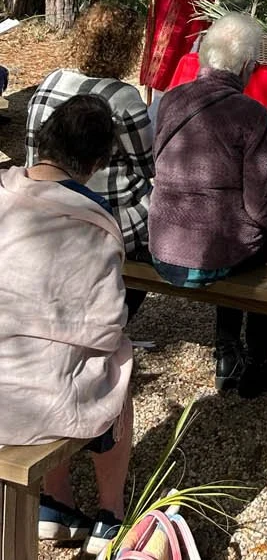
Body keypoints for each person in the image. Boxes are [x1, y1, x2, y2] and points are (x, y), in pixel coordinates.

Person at [0, 94, 134, 557]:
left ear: (44, 140)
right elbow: (106, 326)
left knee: (55, 359)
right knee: (115, 360)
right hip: (36, 393)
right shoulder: (93, 220)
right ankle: (110, 514)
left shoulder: (3, 190)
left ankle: (56, 505)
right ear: (97, 162)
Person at [147, 12, 267, 400]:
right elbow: (261, 209)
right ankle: (257, 362)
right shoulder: (250, 113)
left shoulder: (171, 99)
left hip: (163, 247)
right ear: (246, 66)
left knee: (232, 233)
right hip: (213, 252)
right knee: (263, 242)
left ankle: (227, 352)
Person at [25, 17, 154, 265]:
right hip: (104, 218)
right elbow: (148, 166)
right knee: (161, 201)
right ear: (129, 51)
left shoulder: (52, 80)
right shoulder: (124, 97)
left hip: (43, 207)